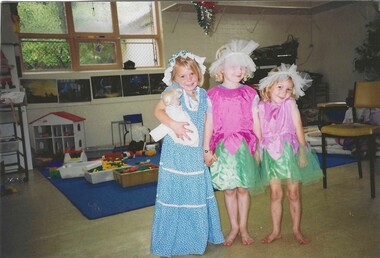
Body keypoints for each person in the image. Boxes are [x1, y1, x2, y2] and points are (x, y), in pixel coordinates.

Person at [150, 50, 224, 257]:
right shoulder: (173, 93)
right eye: (182, 76)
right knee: (178, 193)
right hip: (177, 153)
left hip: (195, 154)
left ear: (199, 74)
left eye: (192, 74)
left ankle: (195, 238)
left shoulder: (203, 95)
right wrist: (174, 125)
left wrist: (207, 150)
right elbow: (158, 111)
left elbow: (208, 122)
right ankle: (175, 240)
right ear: (173, 79)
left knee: (196, 194)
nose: (188, 79)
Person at [205, 39, 263, 246]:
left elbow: (256, 122)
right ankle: (234, 227)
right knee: (229, 189)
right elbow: (209, 124)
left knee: (243, 189)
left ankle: (244, 228)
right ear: (221, 69)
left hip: (245, 147)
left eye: (241, 66)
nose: (238, 70)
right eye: (232, 66)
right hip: (222, 149)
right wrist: (206, 150)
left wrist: (260, 147)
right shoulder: (212, 95)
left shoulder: (250, 93)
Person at [257, 63, 323, 245]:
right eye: (279, 87)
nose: (283, 92)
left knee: (293, 193)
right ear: (269, 87)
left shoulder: (290, 103)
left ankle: (296, 229)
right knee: (275, 194)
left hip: (289, 151)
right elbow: (259, 133)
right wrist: (257, 152)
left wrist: (302, 151)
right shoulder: (261, 107)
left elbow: (298, 127)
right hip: (270, 153)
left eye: (288, 89)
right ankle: (276, 231)